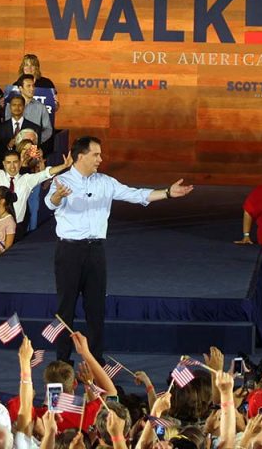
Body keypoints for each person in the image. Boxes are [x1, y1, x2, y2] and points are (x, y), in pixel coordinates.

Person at [45, 135, 193, 362]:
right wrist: (56, 196)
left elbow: (135, 194)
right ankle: (62, 362)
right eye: (96, 155)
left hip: (95, 252)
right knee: (65, 310)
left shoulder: (105, 182)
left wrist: (167, 193)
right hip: (69, 252)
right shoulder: (62, 181)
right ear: (81, 156)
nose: (100, 159)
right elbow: (50, 203)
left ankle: (96, 362)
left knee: (96, 309)